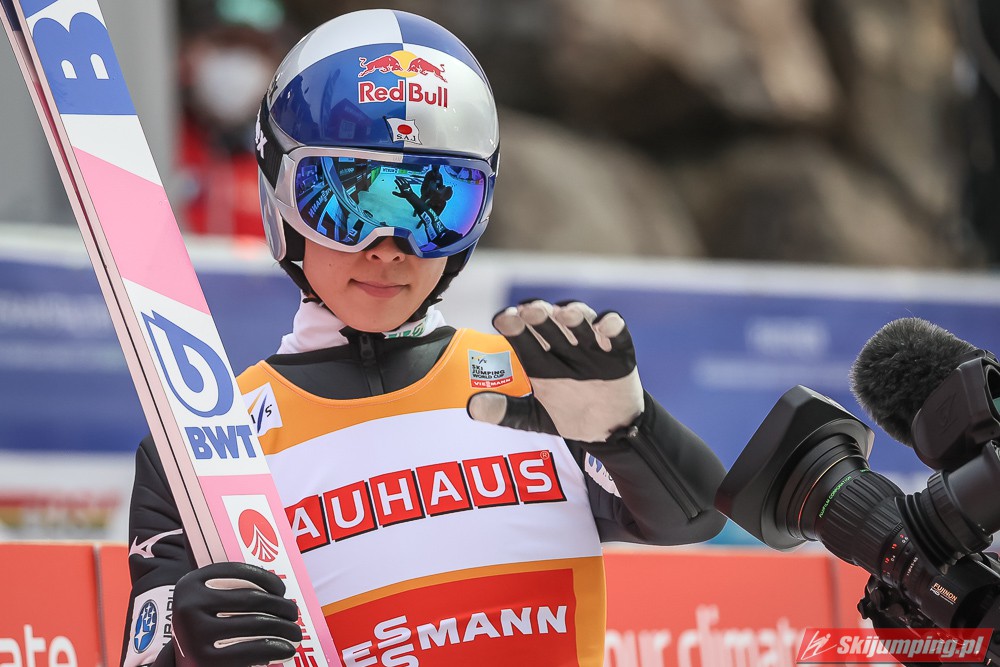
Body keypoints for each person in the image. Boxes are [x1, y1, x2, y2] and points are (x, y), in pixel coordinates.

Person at [121, 9, 727, 667]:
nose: (389, 247)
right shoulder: (206, 442)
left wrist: (630, 430)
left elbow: (694, 517)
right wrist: (181, 650)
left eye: (435, 207)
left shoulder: (535, 387)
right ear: (282, 199)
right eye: (347, 201)